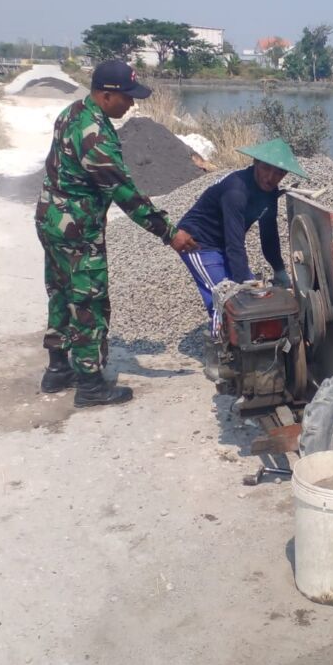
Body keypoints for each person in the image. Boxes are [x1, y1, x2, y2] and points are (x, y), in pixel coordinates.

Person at [35, 59, 198, 407]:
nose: (132, 103)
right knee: (88, 301)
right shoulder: (93, 134)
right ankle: (91, 385)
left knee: (62, 292)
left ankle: (58, 369)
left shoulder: (72, 112)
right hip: (77, 229)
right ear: (106, 95)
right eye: (127, 96)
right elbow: (123, 192)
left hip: (51, 220)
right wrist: (169, 233)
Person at [176, 139, 307, 340]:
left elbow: (269, 234)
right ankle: (222, 351)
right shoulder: (236, 191)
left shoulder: (269, 193)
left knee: (256, 293)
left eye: (279, 173)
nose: (271, 177)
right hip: (198, 243)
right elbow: (235, 242)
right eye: (266, 168)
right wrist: (242, 284)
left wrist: (279, 269)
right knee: (225, 298)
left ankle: (250, 341)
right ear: (255, 163)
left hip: (224, 242)